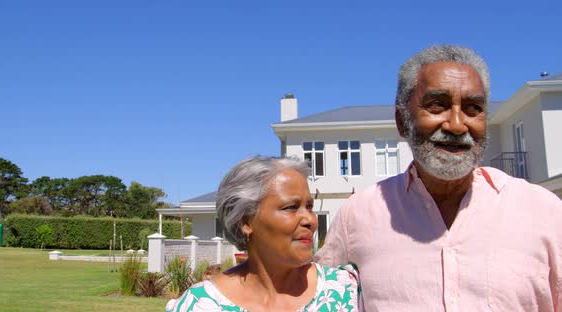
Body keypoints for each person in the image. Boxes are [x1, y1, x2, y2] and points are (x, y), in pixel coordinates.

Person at [314, 45, 562, 311]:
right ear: (402, 121)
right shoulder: (357, 216)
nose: (456, 125)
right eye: (437, 105)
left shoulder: (544, 212)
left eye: (473, 108)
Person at [166, 156, 359, 312]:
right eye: (291, 207)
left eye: (309, 206)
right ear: (246, 221)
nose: (311, 220)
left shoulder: (344, 291)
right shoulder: (201, 304)